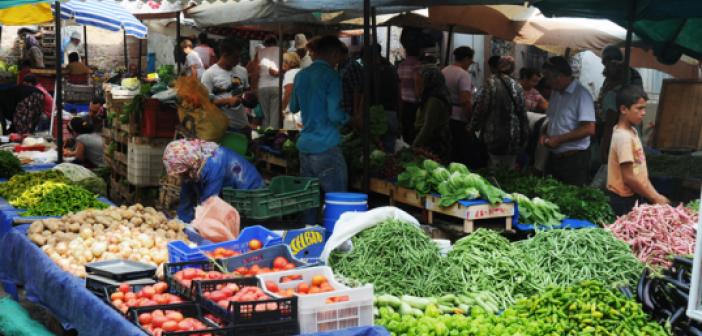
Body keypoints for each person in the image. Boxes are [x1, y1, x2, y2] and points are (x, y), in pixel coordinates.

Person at [289, 35, 349, 216]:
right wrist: (350, 119)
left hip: (305, 147)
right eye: (339, 56)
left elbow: (293, 107)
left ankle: (309, 239)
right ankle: (337, 240)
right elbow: (334, 114)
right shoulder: (332, 76)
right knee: (337, 201)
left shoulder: (301, 75)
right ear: (333, 54)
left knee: (309, 203)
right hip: (326, 146)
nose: (339, 60)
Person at [163, 139, 264, 223]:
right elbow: (186, 193)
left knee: (231, 219)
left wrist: (198, 223)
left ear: (187, 164)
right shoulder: (192, 162)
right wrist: (182, 220)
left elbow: (209, 201)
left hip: (249, 192)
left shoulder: (214, 163)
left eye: (180, 171)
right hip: (226, 189)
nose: (179, 175)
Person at [607, 85, 669, 216]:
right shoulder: (623, 137)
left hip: (634, 195)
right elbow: (629, 177)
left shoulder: (632, 131)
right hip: (623, 200)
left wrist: (655, 195)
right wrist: (654, 198)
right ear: (623, 109)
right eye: (639, 108)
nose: (644, 112)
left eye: (644, 108)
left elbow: (641, 174)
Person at [541, 56, 596, 186]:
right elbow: (551, 119)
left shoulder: (582, 95)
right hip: (555, 156)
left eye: (548, 77)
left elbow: (589, 128)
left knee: (572, 197)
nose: (547, 82)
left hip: (574, 160)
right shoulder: (556, 92)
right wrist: (544, 134)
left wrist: (557, 140)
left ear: (558, 77)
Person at [596, 45, 645, 186]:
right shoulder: (614, 79)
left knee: (624, 172)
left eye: (607, 63)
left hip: (621, 132)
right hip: (628, 132)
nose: (605, 68)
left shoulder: (628, 79)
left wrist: (605, 146)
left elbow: (611, 118)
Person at [470, 56, 528, 170]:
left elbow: (481, 108)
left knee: (494, 167)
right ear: (512, 69)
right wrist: (524, 135)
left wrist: (472, 126)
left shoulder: (490, 83)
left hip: (494, 134)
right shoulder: (518, 86)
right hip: (513, 136)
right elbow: (522, 112)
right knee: (509, 168)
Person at [201, 37, 251, 136]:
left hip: (243, 125)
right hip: (222, 129)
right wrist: (227, 101)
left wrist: (250, 98)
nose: (238, 60)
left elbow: (246, 91)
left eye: (239, 57)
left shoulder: (242, 71)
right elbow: (204, 103)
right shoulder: (209, 74)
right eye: (235, 57)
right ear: (224, 55)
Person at [442, 46, 475, 164]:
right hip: (459, 118)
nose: (471, 63)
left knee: (448, 149)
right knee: (460, 152)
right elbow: (465, 100)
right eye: (471, 60)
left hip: (445, 114)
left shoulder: (444, 70)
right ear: (466, 58)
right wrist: (471, 119)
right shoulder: (463, 74)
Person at [412, 66, 452, 162]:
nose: (418, 85)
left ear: (428, 82)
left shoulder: (434, 100)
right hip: (431, 140)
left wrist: (414, 145)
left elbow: (428, 126)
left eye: (421, 82)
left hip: (433, 143)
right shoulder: (431, 96)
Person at [397, 46, 422, 144]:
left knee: (405, 128)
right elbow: (418, 86)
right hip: (413, 103)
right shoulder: (417, 65)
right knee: (413, 129)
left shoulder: (401, 65)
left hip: (402, 101)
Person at [256, 35, 282, 129]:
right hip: (276, 85)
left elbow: (255, 70)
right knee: (275, 115)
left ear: (265, 44)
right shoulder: (281, 50)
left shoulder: (260, 52)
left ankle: (264, 139)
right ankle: (273, 138)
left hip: (262, 86)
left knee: (265, 117)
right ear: (275, 42)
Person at [338, 44, 363, 121]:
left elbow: (357, 90)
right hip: (343, 110)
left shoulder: (352, 66)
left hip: (350, 111)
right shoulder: (341, 66)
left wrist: (356, 113)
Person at [281, 52, 301, 122]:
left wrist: (282, 108)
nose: (282, 63)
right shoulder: (301, 71)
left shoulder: (290, 73)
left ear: (289, 62)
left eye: (283, 61)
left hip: (291, 112)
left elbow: (289, 91)